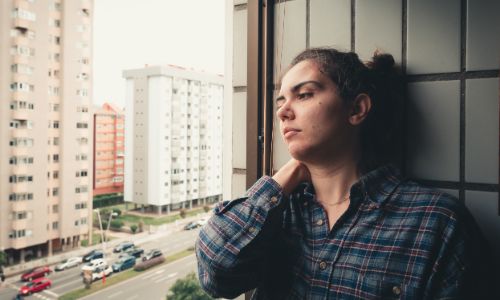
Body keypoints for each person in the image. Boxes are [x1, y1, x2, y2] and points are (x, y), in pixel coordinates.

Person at [195, 48, 495, 299]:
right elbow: (217, 276)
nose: (283, 112)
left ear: (357, 109)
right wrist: (283, 177)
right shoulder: (278, 212)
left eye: (304, 95)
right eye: (281, 100)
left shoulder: (435, 222)